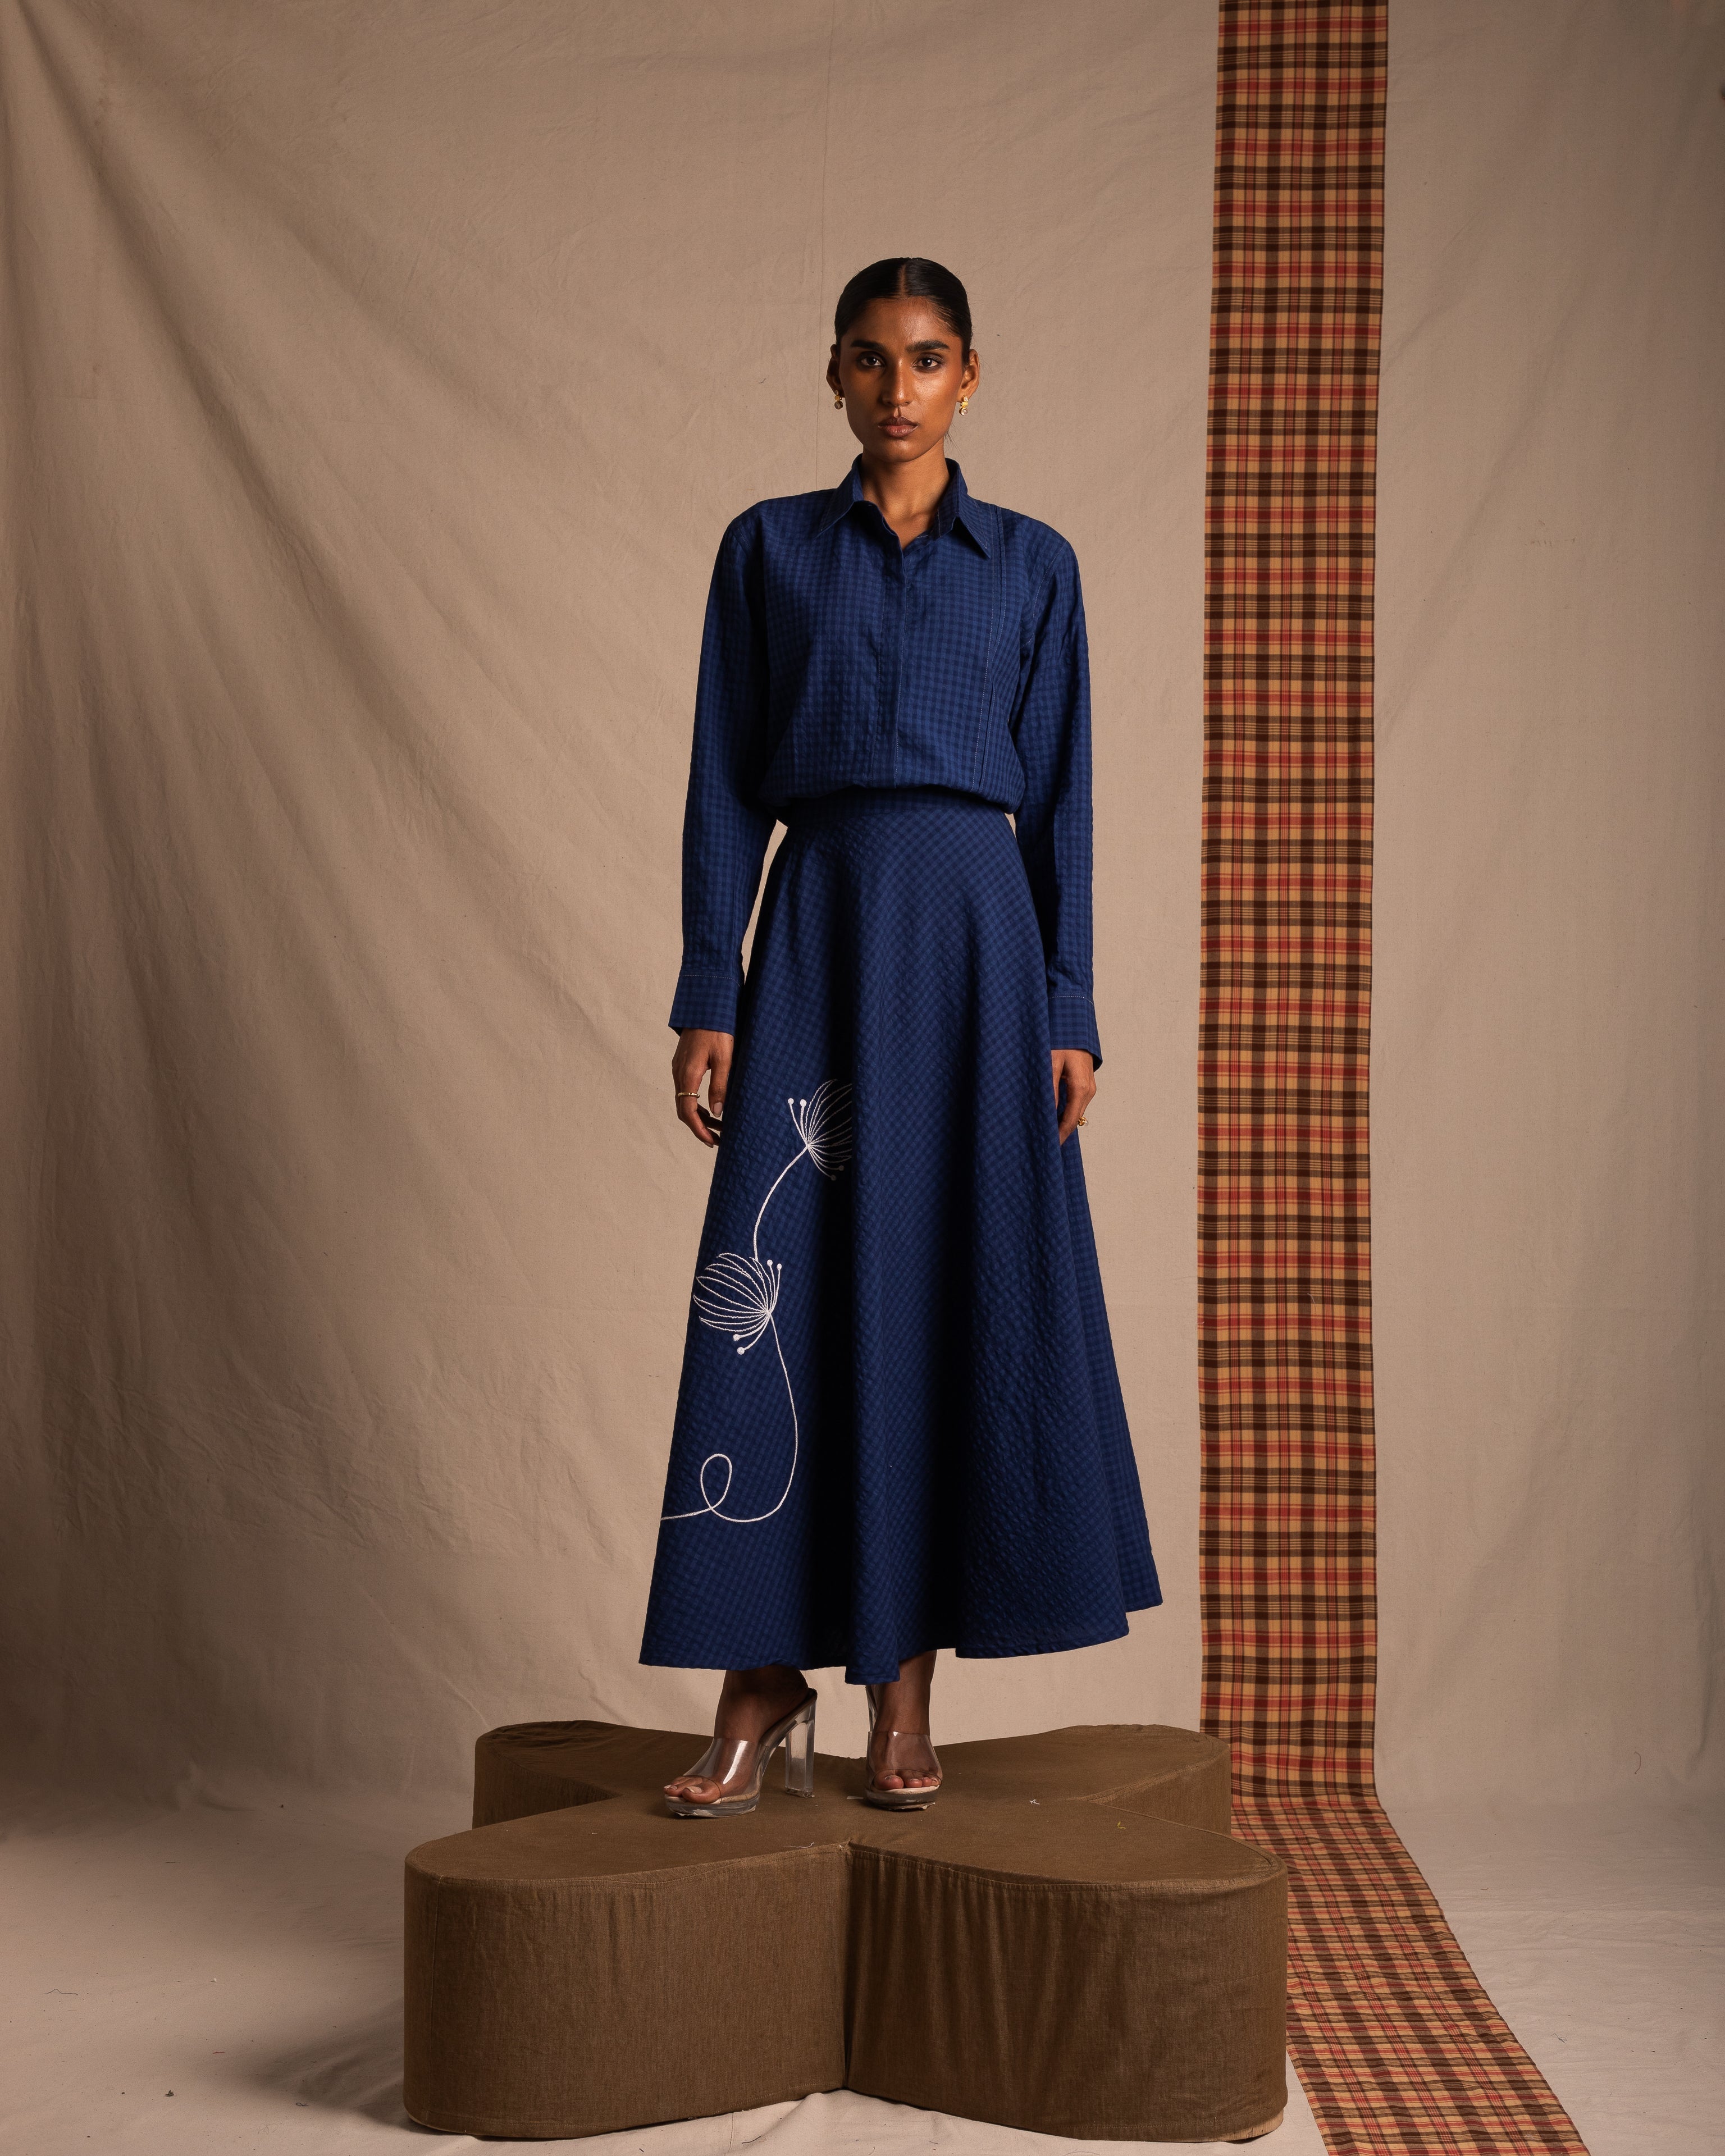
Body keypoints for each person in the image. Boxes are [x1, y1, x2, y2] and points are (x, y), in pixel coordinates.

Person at [640, 257, 1161, 1817]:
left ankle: (902, 1685)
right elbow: (725, 784)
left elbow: (1064, 797)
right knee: (788, 1278)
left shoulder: (1035, 566)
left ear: (969, 378)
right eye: (868, 362)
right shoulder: (770, 552)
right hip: (819, 934)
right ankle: (755, 1680)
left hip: (978, 947)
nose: (896, 389)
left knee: (943, 1282)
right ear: (835, 377)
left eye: (925, 361)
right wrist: (708, 991)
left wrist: (1067, 1003)